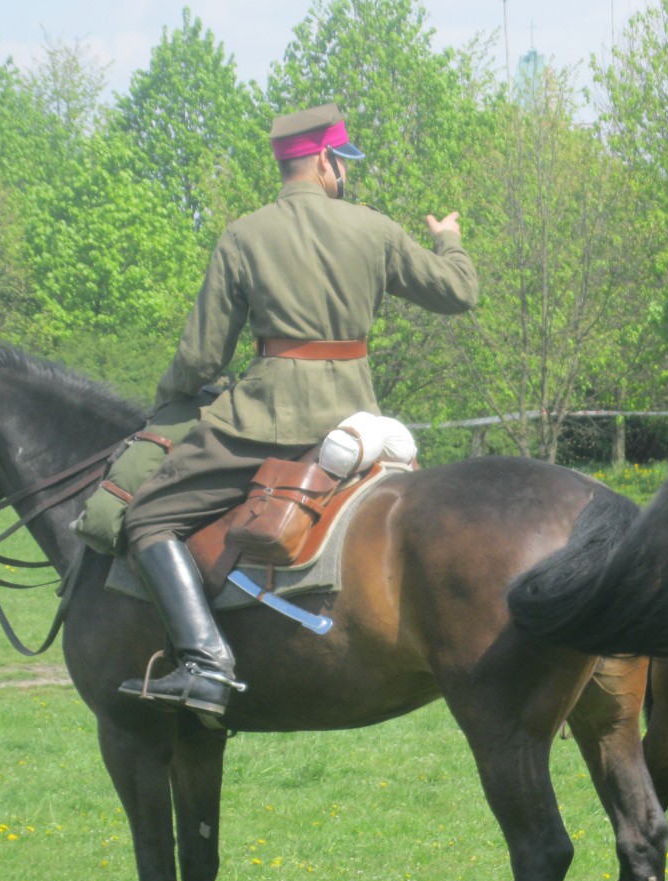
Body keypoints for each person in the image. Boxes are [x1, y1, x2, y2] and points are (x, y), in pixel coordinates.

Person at [119, 103, 478, 722]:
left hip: (264, 422)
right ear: (323, 161)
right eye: (343, 163)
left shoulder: (243, 235)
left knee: (146, 516)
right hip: (354, 423)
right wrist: (448, 239)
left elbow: (203, 357)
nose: (345, 175)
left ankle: (205, 661)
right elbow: (458, 292)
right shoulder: (373, 229)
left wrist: (169, 396)